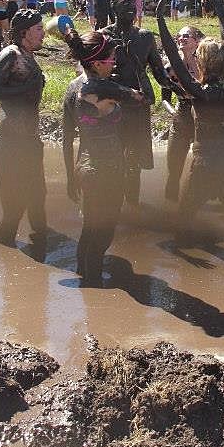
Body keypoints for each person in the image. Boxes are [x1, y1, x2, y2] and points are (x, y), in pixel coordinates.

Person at [156, 0, 224, 241]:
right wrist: (220, 8)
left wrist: (160, 18)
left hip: (204, 163)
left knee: (183, 223)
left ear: (200, 64)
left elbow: (172, 54)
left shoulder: (196, 91)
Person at [61, 28, 144, 284]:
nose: (115, 63)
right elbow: (143, 98)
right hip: (106, 171)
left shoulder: (71, 88)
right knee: (103, 236)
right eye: (111, 60)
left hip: (85, 167)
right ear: (96, 63)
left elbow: (67, 139)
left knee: (90, 230)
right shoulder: (102, 90)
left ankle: (84, 279)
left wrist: (70, 177)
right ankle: (93, 291)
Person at [0, 10, 51, 254]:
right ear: (24, 32)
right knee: (13, 207)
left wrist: (35, 83)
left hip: (30, 141)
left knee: (38, 197)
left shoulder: (28, 55)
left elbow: (23, 84)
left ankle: (41, 251)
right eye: (39, 29)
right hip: (9, 143)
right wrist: (25, 89)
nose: (43, 33)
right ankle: (8, 255)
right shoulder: (10, 53)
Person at [102, 0, 175, 204]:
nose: (131, 8)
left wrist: (181, 90)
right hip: (110, 105)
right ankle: (111, 205)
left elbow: (160, 73)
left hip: (138, 105)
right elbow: (90, 71)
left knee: (133, 161)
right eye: (125, 4)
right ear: (114, 7)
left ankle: (132, 205)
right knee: (110, 157)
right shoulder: (104, 36)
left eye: (133, 4)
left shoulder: (145, 37)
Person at [163, 23, 205, 202]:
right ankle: (170, 211)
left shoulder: (206, 63)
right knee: (173, 168)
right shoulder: (169, 66)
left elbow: (203, 85)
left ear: (196, 41)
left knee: (200, 167)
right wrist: (173, 113)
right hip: (180, 116)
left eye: (186, 36)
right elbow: (165, 98)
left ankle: (194, 202)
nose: (181, 39)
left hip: (202, 118)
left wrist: (189, 58)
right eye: (179, 36)